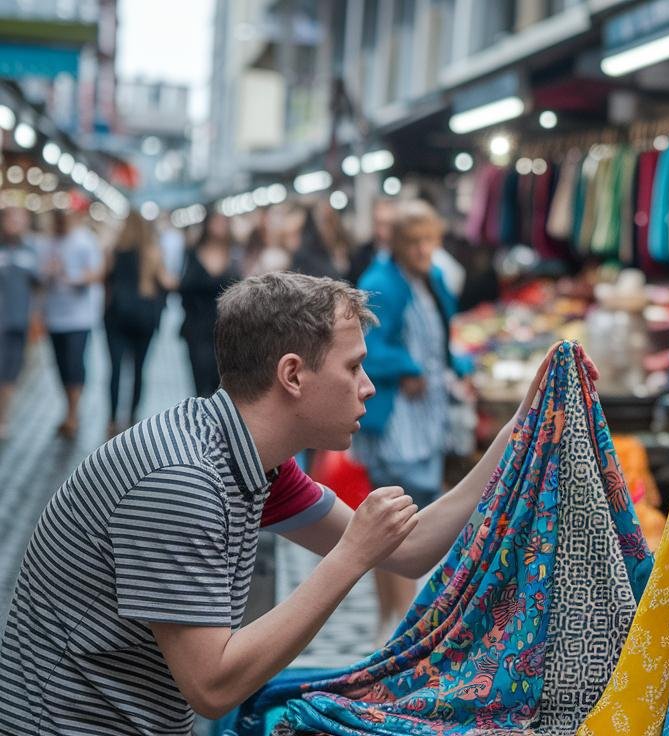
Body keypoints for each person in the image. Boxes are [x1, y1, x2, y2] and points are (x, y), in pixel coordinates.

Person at [0, 271, 561, 734]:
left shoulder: (252, 460)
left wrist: (517, 432)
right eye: (352, 367)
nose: (368, 385)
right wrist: (349, 558)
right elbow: (213, 687)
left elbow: (409, 550)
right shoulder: (181, 481)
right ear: (292, 374)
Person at [355, 199, 471, 641]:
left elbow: (439, 338)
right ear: (399, 243)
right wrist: (407, 366)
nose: (425, 249)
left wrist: (455, 366)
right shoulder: (380, 281)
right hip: (395, 422)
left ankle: (394, 622)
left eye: (430, 240)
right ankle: (399, 626)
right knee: (397, 521)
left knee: (401, 520)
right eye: (416, 241)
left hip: (426, 417)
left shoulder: (432, 278)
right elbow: (366, 347)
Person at [104, 211, 176, 435]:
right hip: (144, 318)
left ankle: (113, 419)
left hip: (116, 317)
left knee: (115, 369)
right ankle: (133, 415)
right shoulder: (153, 252)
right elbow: (167, 282)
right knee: (139, 369)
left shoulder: (114, 251)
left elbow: (103, 278)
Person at [42, 208, 104, 438]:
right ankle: (68, 408)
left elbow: (96, 273)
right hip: (54, 315)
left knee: (75, 363)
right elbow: (41, 275)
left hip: (79, 317)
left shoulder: (84, 241)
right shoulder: (49, 243)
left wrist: (72, 277)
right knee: (60, 365)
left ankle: (73, 413)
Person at [180, 211, 240, 397]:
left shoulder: (235, 255)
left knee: (222, 383)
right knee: (199, 381)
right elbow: (182, 285)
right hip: (197, 327)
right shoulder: (191, 253)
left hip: (226, 329)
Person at [0, 206, 40, 440]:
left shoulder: (30, 249)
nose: (15, 223)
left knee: (11, 373)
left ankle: (3, 417)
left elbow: (38, 284)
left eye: (20, 219)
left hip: (18, 321)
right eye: (11, 218)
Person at [292, 200, 351, 280]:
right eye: (324, 222)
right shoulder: (305, 255)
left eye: (331, 221)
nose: (329, 228)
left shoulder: (348, 247)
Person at [347, 197, 395, 285]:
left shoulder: (403, 256)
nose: (381, 231)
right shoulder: (359, 256)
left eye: (386, 224)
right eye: (377, 223)